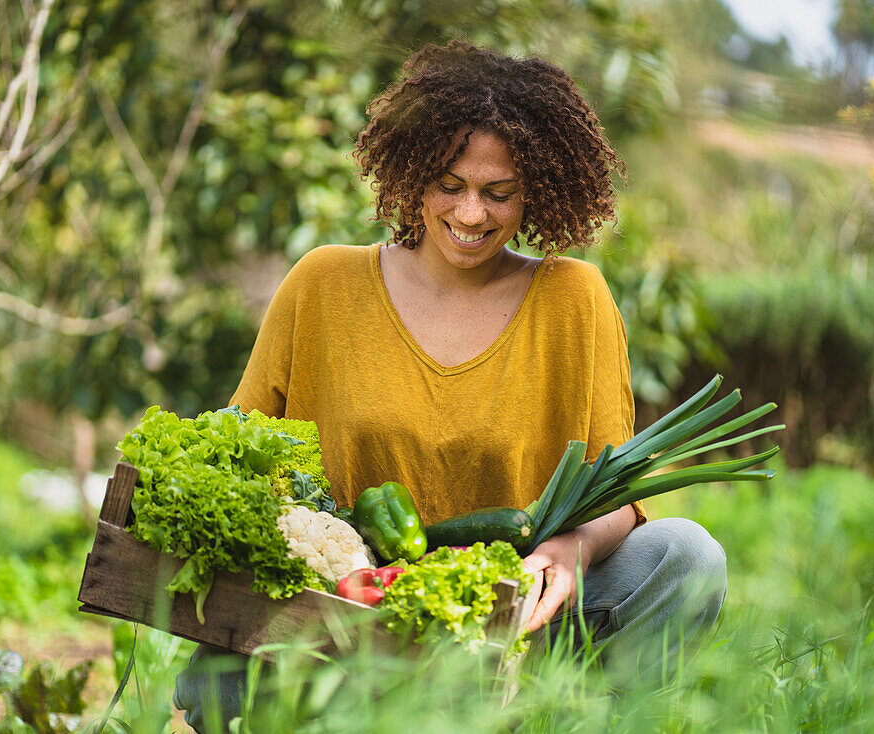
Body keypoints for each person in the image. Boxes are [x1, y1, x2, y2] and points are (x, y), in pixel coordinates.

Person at [174, 41, 725, 730]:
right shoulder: (322, 286)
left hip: (510, 627)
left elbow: (615, 496)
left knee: (688, 557)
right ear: (410, 176)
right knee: (224, 674)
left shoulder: (574, 300)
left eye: (499, 194)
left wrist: (563, 554)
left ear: (539, 190)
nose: (471, 216)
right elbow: (238, 454)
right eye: (450, 185)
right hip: (347, 621)